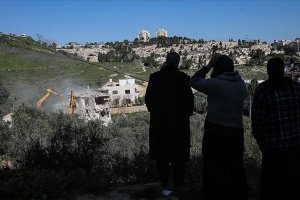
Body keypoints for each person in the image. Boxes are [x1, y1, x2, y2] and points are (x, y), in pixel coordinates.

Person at [190, 55, 248, 200]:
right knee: (235, 167)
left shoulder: (216, 84)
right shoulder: (241, 85)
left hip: (215, 131)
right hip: (236, 132)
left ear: (218, 68)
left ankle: (213, 194)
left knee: (212, 167)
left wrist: (208, 66)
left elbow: (194, 81)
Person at [145, 52, 194, 196]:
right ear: (178, 63)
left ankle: (164, 182)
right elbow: (189, 101)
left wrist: (155, 113)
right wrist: (185, 115)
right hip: (179, 122)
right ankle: (179, 183)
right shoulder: (184, 78)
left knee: (161, 152)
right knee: (179, 153)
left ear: (166, 62)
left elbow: (148, 99)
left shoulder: (154, 77)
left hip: (159, 122)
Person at [251, 57, 300, 200]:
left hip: (273, 151)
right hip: (296, 149)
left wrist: (263, 145)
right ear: (283, 70)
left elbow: (257, 124)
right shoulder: (297, 88)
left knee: (272, 190)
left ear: (267, 71)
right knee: (294, 188)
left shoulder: (263, 91)